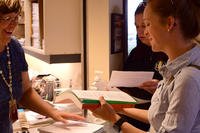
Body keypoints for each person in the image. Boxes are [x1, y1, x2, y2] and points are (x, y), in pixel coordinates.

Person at [93, 0, 200, 132]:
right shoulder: (173, 69)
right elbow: (157, 117)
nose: (145, 32)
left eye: (147, 24)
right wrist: (119, 108)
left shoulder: (187, 78)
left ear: (169, 23)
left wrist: (115, 119)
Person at [0, 0, 84, 132]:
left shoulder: (14, 48)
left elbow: (26, 92)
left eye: (16, 17)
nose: (14, 23)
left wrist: (52, 112)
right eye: (7, 18)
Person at [118, 2, 168, 131]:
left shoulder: (172, 57)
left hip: (153, 114)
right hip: (134, 112)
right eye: (137, 26)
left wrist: (160, 86)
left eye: (146, 25)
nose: (142, 31)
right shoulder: (135, 53)